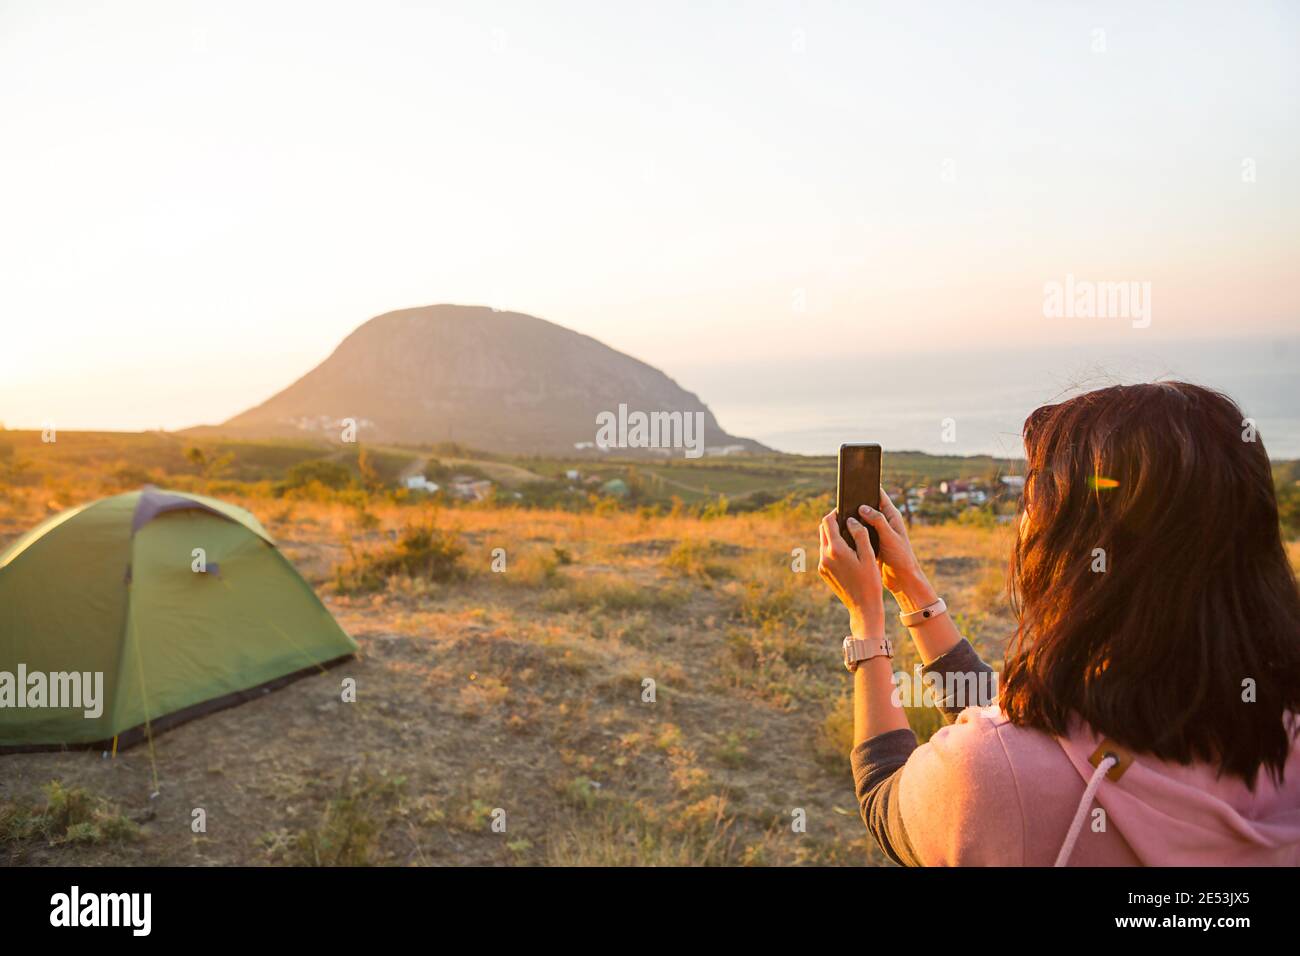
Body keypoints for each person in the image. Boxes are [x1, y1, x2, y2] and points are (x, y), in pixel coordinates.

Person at [817, 382, 1300, 865]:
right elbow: (1038, 735)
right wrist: (911, 589)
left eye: (1034, 500)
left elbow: (887, 794)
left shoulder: (993, 779)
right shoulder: (1271, 720)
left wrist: (867, 622)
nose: (1023, 522)